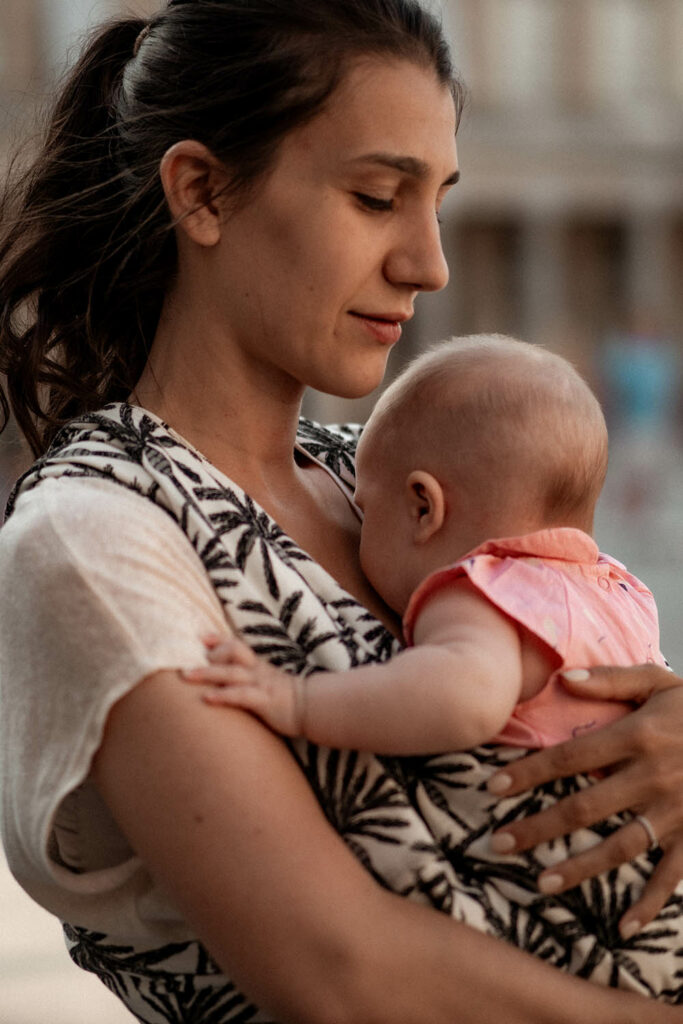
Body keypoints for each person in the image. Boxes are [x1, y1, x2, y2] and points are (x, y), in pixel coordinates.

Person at [1, 2, 683, 1021]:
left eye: (437, 203)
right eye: (375, 197)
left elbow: (575, 670)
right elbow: (341, 973)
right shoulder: (94, 538)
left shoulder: (377, 483)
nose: (428, 263)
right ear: (200, 191)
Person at [183, 334, 682, 998]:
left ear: (423, 507)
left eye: (364, 509)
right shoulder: (617, 589)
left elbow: (461, 700)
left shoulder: (482, 591)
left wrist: (297, 701)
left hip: (581, 919)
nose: (356, 527)